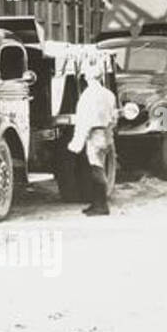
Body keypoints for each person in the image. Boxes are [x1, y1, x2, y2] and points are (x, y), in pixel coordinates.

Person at [68, 56, 117, 216]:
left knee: (96, 169)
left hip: (94, 134)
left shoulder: (87, 96)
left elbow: (83, 121)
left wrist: (76, 142)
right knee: (100, 167)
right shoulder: (109, 94)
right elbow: (115, 118)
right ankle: (96, 203)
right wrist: (109, 131)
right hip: (107, 133)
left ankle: (101, 205)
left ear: (87, 77)